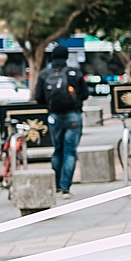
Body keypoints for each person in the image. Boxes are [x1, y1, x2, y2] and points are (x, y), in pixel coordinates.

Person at [33, 46, 91, 196]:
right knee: (70, 152)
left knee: (57, 150)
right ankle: (65, 188)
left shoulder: (45, 74)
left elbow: (39, 97)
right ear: (66, 57)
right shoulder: (74, 73)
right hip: (73, 115)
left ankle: (57, 185)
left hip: (54, 116)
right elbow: (85, 93)